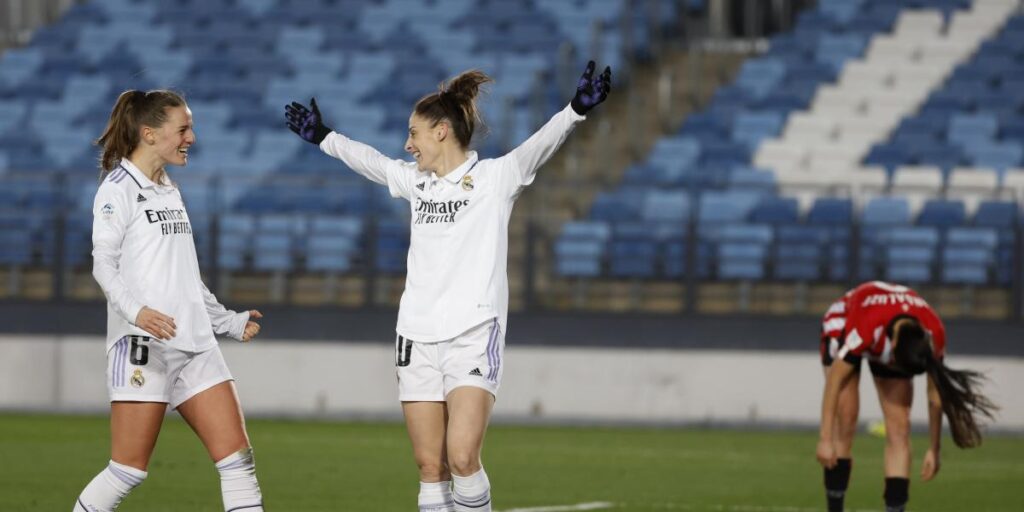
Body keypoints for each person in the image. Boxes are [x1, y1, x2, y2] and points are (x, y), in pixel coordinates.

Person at [285, 61, 611, 511]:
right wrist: (324, 137)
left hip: (473, 334)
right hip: (415, 337)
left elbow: (541, 145)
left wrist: (576, 109)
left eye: (413, 133)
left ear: (440, 131)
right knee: (429, 466)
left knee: (461, 457)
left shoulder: (496, 178)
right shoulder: (416, 184)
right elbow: (373, 163)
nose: (407, 144)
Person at [76, 89, 266, 512]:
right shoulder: (117, 189)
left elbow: (185, 277)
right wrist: (137, 313)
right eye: (183, 128)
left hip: (195, 344)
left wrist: (227, 321)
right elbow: (102, 265)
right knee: (128, 469)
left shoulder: (167, 188)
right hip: (143, 346)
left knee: (238, 461)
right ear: (148, 134)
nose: (192, 138)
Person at [817, 281, 998, 512]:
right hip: (846, 318)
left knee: (900, 427)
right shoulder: (866, 326)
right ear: (892, 348)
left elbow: (934, 396)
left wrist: (934, 448)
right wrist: (825, 439)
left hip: (886, 329)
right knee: (846, 417)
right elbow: (834, 381)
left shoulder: (933, 334)